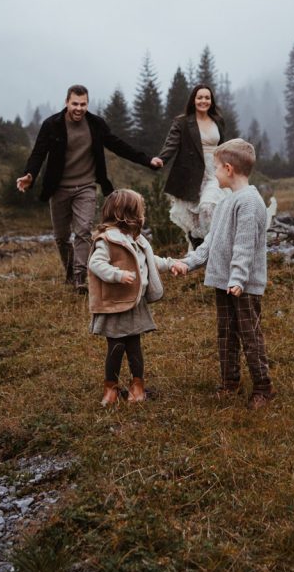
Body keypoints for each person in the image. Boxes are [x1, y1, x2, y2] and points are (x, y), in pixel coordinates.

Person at [16, 85, 163, 294]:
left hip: (86, 186)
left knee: (83, 230)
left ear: (87, 103)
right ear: (67, 102)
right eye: (75, 104)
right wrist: (30, 174)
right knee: (61, 236)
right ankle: (69, 272)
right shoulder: (52, 125)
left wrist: (147, 160)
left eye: (83, 104)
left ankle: (80, 278)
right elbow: (38, 153)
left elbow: (118, 145)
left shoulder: (95, 124)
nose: (79, 108)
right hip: (58, 188)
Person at [171, 138, 275, 408]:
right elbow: (211, 242)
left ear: (229, 169)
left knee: (250, 335)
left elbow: (244, 246)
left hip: (243, 286)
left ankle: (263, 387)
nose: (214, 173)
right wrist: (189, 262)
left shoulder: (250, 203)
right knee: (226, 334)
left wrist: (238, 279)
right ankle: (230, 383)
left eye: (216, 168)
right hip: (223, 283)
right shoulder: (227, 202)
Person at [88, 189, 173, 405]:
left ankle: (137, 387)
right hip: (116, 304)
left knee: (134, 346)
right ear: (126, 214)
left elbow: (151, 260)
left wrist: (172, 264)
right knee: (116, 347)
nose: (143, 214)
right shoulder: (106, 240)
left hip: (135, 303)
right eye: (140, 210)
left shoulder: (137, 240)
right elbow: (95, 264)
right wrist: (117, 275)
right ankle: (111, 389)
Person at [158, 83, 227, 249]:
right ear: (193, 100)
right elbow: (171, 144)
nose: (204, 101)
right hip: (191, 175)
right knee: (194, 219)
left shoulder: (218, 120)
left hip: (215, 173)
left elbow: (223, 146)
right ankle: (199, 251)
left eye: (207, 98)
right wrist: (161, 159)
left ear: (211, 101)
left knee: (207, 207)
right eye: (200, 97)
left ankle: (215, 249)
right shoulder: (182, 122)